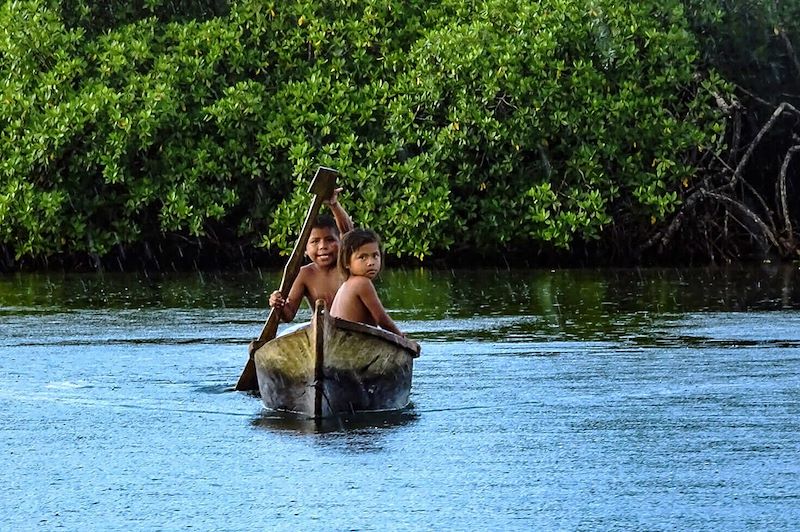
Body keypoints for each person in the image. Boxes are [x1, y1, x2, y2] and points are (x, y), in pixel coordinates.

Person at [268, 188, 354, 322]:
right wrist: (278, 303)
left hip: (352, 330)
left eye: (330, 240)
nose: (323, 246)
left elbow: (349, 233)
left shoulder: (348, 265)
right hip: (320, 326)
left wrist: (334, 205)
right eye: (315, 242)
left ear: (341, 242)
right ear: (305, 249)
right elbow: (288, 315)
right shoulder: (304, 274)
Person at [329, 228, 405, 336]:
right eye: (362, 257)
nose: (371, 263)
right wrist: (402, 339)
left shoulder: (346, 284)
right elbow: (382, 320)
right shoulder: (362, 283)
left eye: (375, 256)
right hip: (350, 341)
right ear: (346, 262)